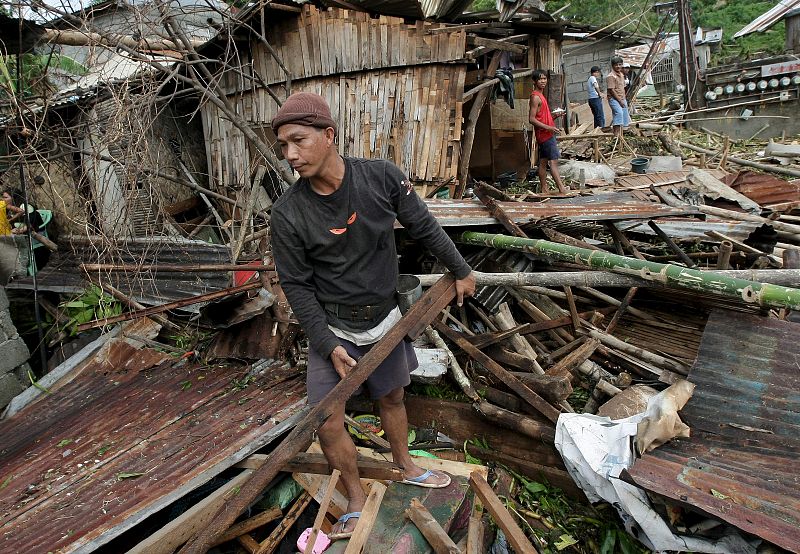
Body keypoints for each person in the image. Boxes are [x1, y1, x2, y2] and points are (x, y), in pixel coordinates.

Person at [269, 92, 476, 541]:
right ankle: (356, 497)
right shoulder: (288, 214)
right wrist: (327, 344)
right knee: (327, 417)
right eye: (283, 145)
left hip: (386, 320)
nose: (290, 154)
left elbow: (423, 225)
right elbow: (298, 286)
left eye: (298, 141)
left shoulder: (380, 178)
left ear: (329, 135)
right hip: (333, 327)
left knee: (393, 398)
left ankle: (404, 465)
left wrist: (460, 270)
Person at [528, 70, 566, 193]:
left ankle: (544, 188)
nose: (543, 81)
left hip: (545, 133)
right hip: (545, 135)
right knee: (553, 162)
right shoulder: (535, 97)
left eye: (544, 78)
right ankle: (561, 188)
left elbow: (541, 116)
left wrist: (555, 117)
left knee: (543, 162)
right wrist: (549, 128)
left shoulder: (541, 95)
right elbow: (531, 119)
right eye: (540, 79)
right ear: (534, 81)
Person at [3, 188, 51, 274]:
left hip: (36, 234)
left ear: (13, 198)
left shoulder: (26, 207)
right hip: (22, 231)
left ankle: (21, 267)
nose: (3, 200)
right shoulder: (11, 207)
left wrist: (18, 230)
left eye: (6, 197)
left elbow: (30, 225)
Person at [606, 57, 631, 138]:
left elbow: (622, 88)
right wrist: (620, 100)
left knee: (624, 115)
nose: (618, 66)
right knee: (618, 113)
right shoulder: (611, 76)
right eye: (616, 65)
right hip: (614, 99)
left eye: (620, 64)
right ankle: (616, 135)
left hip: (622, 98)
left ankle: (621, 135)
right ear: (613, 66)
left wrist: (623, 98)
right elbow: (612, 90)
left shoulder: (621, 74)